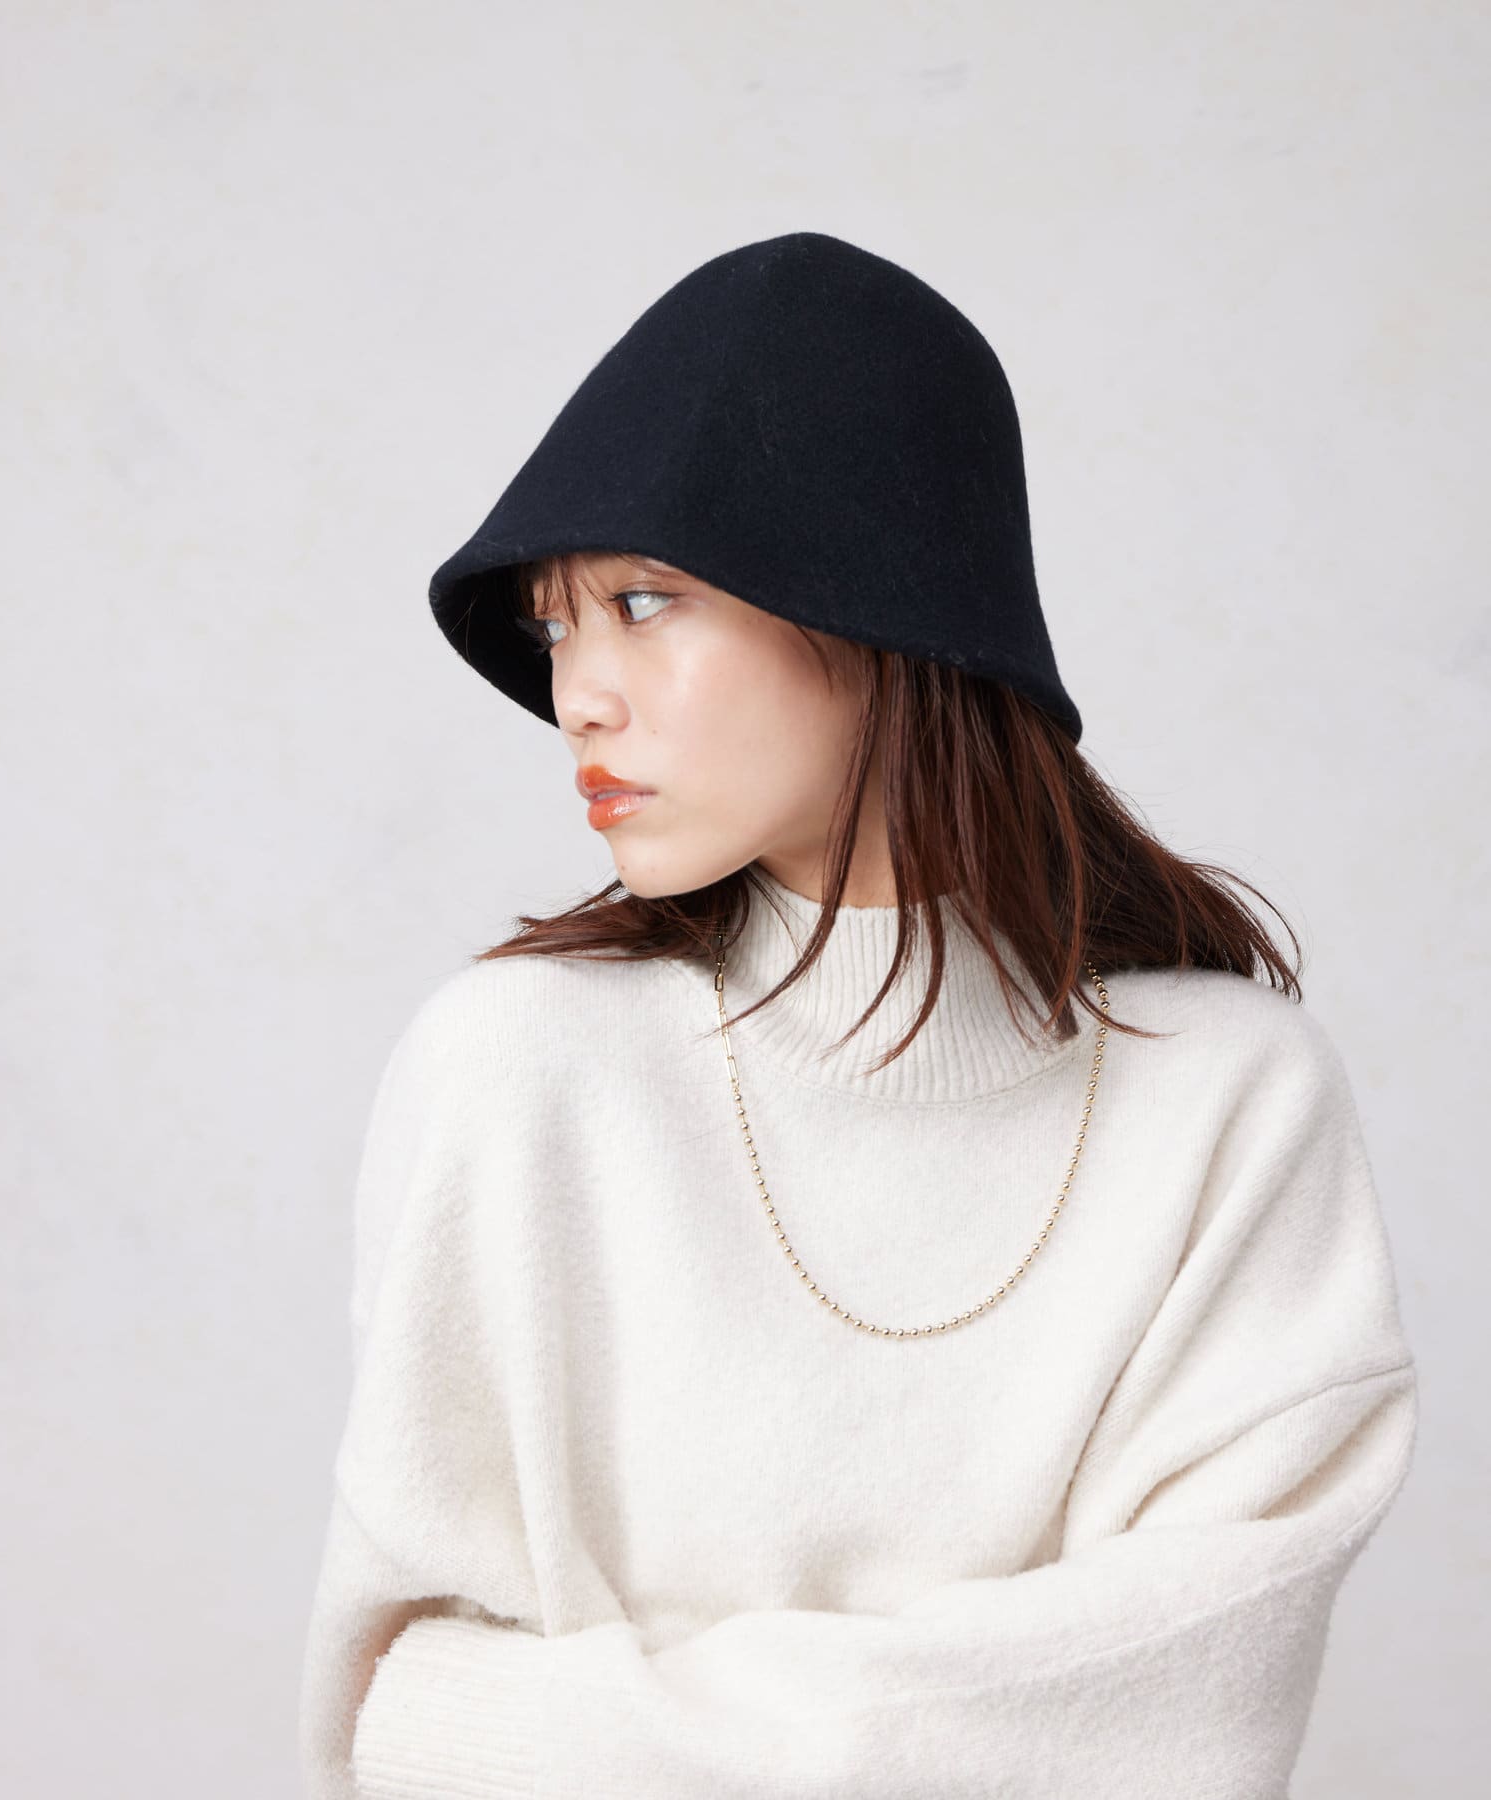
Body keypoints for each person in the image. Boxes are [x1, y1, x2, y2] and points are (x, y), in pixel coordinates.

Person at [297, 232, 1418, 1799]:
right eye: (558, 627)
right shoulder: (519, 1068)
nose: (579, 695)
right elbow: (405, 1714)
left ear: (884, 605)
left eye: (642, 600)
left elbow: (1197, 1723)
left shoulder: (1231, 1102)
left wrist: (615, 1735)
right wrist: (993, 1725)